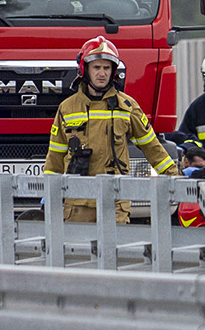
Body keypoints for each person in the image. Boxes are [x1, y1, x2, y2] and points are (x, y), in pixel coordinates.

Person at [45, 36, 177, 223]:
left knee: (116, 243)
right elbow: (55, 157)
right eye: (97, 67)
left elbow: (152, 148)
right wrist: (48, 193)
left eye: (106, 68)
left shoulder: (127, 107)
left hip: (115, 201)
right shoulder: (67, 108)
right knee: (77, 243)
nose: (102, 73)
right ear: (85, 69)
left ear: (113, 71)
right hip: (78, 202)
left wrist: (175, 178)